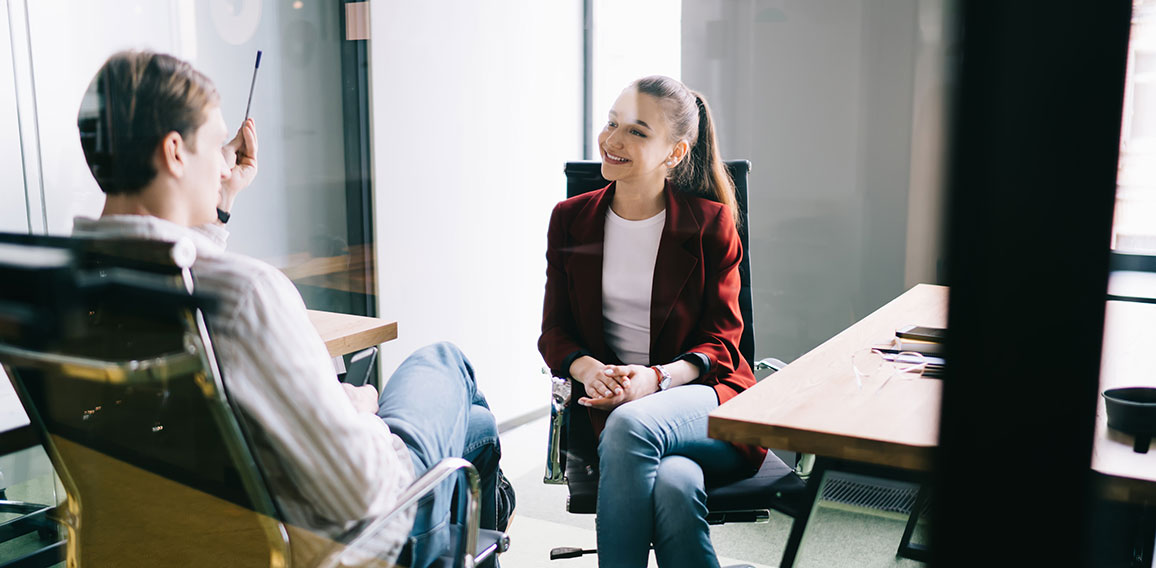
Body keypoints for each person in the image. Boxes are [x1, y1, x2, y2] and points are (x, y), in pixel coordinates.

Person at [72, 50, 512, 568]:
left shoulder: (65, 285)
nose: (224, 162)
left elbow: (181, 287)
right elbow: (362, 490)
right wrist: (356, 412)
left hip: (167, 543)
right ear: (174, 152)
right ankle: (481, 525)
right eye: (216, 145)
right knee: (447, 366)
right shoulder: (246, 296)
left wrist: (220, 201)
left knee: (475, 427)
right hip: (344, 543)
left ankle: (481, 521)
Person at [538, 76, 765, 568]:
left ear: (675, 153)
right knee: (675, 485)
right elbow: (554, 333)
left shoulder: (708, 224)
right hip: (616, 408)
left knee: (631, 426)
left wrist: (656, 380)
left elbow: (723, 344)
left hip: (709, 406)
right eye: (612, 123)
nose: (612, 140)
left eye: (637, 132)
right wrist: (589, 370)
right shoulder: (570, 220)